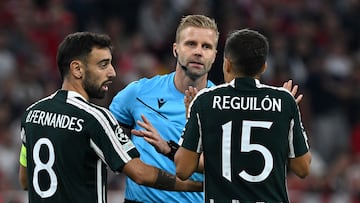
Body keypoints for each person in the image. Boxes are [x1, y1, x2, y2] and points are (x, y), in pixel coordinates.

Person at [18, 32, 202, 203]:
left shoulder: (31, 114)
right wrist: (198, 186)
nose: (112, 72)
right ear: (77, 69)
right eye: (103, 64)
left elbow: (25, 180)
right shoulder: (95, 118)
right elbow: (140, 173)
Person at [174, 29, 312, 202]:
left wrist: (191, 121)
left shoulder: (204, 102)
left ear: (227, 64)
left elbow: (183, 169)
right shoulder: (284, 101)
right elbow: (303, 168)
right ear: (264, 67)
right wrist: (285, 117)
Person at [109, 14, 218, 203]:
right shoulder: (138, 93)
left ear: (215, 56)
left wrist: (169, 149)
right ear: (176, 50)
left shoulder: (222, 105)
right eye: (191, 44)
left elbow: (222, 167)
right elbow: (105, 136)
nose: (198, 52)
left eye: (206, 46)